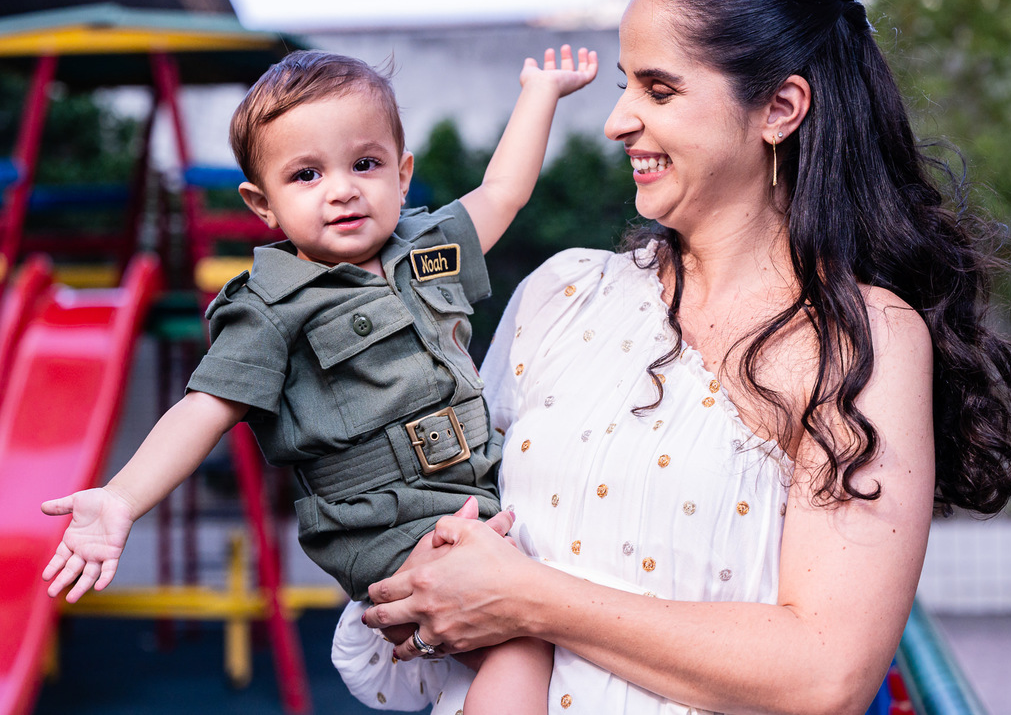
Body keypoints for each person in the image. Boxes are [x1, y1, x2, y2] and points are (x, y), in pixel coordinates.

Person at [336, 0, 1011, 715]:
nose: (616, 121)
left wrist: (526, 599)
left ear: (779, 109)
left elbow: (828, 674)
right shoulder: (559, 295)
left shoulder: (860, 340)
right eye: (625, 85)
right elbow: (453, 527)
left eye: (659, 89)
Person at [40, 45, 599, 715]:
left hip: (475, 495)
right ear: (263, 203)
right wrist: (122, 498)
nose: (341, 189)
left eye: (365, 164)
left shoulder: (427, 250)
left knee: (568, 602)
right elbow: (203, 409)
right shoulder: (271, 307)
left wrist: (540, 92)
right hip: (384, 527)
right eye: (306, 174)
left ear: (402, 173)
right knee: (521, 637)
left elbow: (502, 192)